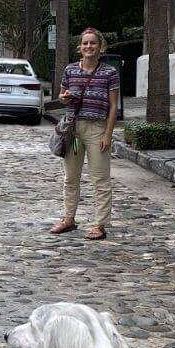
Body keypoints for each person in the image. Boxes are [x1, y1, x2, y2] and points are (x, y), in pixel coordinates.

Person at [50, 28, 121, 240]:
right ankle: (69, 219)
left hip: (97, 129)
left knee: (100, 179)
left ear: (100, 47)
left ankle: (100, 224)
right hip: (73, 130)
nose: (89, 47)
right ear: (80, 47)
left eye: (93, 43)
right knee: (70, 178)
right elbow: (62, 95)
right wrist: (64, 98)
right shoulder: (70, 70)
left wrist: (108, 134)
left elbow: (113, 106)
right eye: (85, 43)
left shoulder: (109, 73)